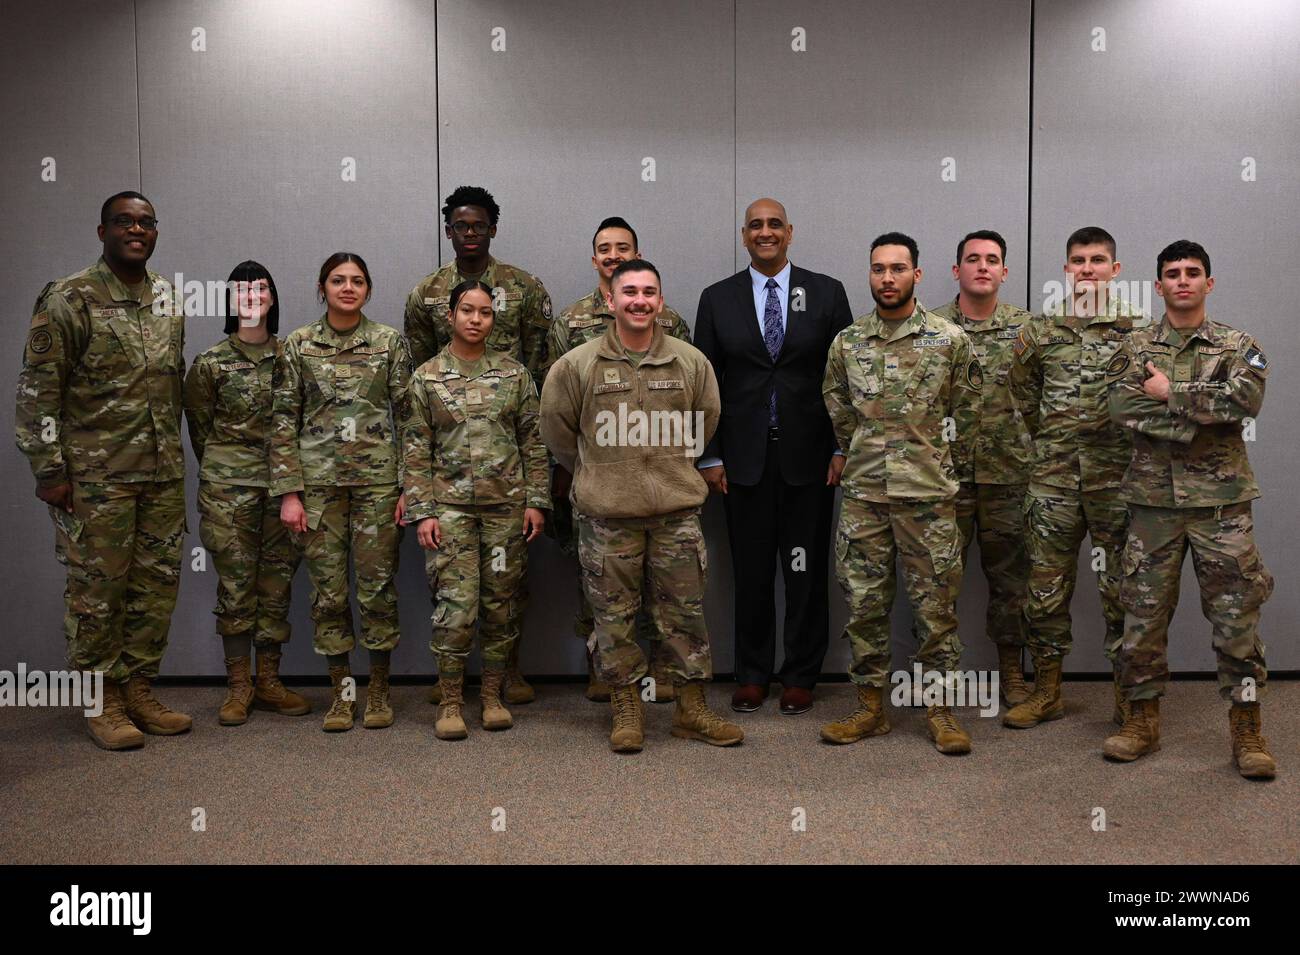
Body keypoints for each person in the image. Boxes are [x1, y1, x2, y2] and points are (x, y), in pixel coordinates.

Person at [540, 260, 742, 753]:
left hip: (675, 513)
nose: (639, 301)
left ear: (660, 300)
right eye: (628, 291)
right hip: (607, 516)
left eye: (649, 292)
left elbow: (705, 421)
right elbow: (558, 433)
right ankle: (626, 708)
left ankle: (691, 709)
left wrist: (669, 465)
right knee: (613, 618)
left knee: (685, 615)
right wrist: (601, 471)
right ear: (609, 300)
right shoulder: (577, 365)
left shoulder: (690, 363)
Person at [14, 190, 191, 749]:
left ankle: (138, 689)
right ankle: (101, 700)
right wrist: (49, 471)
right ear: (102, 232)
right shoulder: (69, 298)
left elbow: (173, 382)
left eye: (146, 223)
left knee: (155, 589)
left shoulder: (168, 296)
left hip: (161, 475)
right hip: (97, 479)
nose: (135, 230)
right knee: (97, 593)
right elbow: (38, 393)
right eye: (124, 222)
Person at [1103, 240, 1275, 778]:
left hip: (1220, 508)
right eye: (1172, 273)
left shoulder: (1238, 344)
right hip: (1152, 506)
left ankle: (1247, 728)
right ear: (1158, 286)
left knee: (1236, 619)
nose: (1182, 280)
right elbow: (1120, 407)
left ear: (1209, 283)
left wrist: (1169, 392)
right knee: (1142, 618)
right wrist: (1197, 413)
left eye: (1193, 272)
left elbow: (1244, 402)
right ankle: (1142, 722)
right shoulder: (1133, 349)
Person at [820, 233, 981, 755]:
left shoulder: (949, 339)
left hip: (928, 499)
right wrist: (863, 452)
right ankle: (870, 708)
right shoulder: (848, 342)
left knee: (935, 609)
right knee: (864, 605)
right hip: (866, 495)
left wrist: (931, 459)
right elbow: (838, 408)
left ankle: (940, 710)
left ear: (918, 274)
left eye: (897, 268)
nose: (887, 278)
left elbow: (968, 411)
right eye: (878, 269)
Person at [693, 198, 852, 716]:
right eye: (756, 225)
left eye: (774, 225)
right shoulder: (718, 299)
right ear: (744, 236)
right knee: (753, 571)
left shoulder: (826, 293)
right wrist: (709, 456)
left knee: (805, 572)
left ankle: (801, 674)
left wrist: (839, 445)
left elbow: (844, 379)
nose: (766, 232)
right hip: (742, 462)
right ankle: (753, 673)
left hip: (810, 460)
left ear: (790, 233)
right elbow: (705, 384)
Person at [404, 185, 551, 704]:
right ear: (448, 230)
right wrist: (420, 498)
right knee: (455, 593)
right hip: (451, 472)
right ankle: (452, 687)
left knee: (504, 592)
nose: (470, 233)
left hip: (504, 458)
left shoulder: (524, 288)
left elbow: (542, 363)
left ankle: (501, 677)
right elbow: (418, 385)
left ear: (493, 227)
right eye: (461, 225)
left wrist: (535, 492)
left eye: (480, 224)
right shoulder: (427, 294)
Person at [1005, 227, 1149, 729]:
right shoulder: (1041, 332)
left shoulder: (1139, 332)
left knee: (1121, 590)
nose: (1087, 268)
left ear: (1115, 268)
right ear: (1066, 268)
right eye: (1078, 260)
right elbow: (1022, 398)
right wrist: (1050, 448)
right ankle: (1047, 691)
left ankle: (1129, 699)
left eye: (1097, 259)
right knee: (1044, 588)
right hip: (1053, 484)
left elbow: (1150, 405)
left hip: (1116, 484)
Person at [549, 216, 692, 703]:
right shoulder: (569, 325)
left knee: (667, 588)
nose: (613, 255)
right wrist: (592, 462)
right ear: (596, 263)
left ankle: (662, 673)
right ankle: (609, 677)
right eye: (604, 250)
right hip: (602, 483)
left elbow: (698, 411)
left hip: (665, 484)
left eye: (622, 248)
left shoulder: (673, 327)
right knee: (606, 589)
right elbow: (558, 417)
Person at [271, 253, 413, 732]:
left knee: (376, 590)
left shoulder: (389, 342)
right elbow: (283, 419)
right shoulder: (298, 344)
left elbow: (409, 418)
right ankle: (341, 693)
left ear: (368, 289)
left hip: (377, 485)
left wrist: (409, 488)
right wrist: (289, 493)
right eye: (337, 280)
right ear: (322, 287)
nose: (347, 288)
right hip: (318, 489)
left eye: (356, 281)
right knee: (328, 594)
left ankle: (377, 691)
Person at [183, 261, 310, 725]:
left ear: (273, 299)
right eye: (242, 290)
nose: (252, 296)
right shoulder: (210, 364)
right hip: (228, 492)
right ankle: (238, 687)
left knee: (276, 588)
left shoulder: (293, 357)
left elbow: (304, 424)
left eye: (261, 289)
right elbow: (200, 430)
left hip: (284, 492)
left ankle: (270, 681)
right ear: (229, 301)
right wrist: (227, 471)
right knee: (236, 589)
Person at [930, 231, 1035, 705]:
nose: (982, 267)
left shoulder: (1029, 330)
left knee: (1012, 581)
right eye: (972, 259)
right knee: (936, 580)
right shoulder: (929, 328)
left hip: (1009, 476)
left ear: (1004, 272)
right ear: (957, 271)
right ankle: (939, 678)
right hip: (943, 479)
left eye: (992, 260)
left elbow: (1047, 401)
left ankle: (1011, 671)